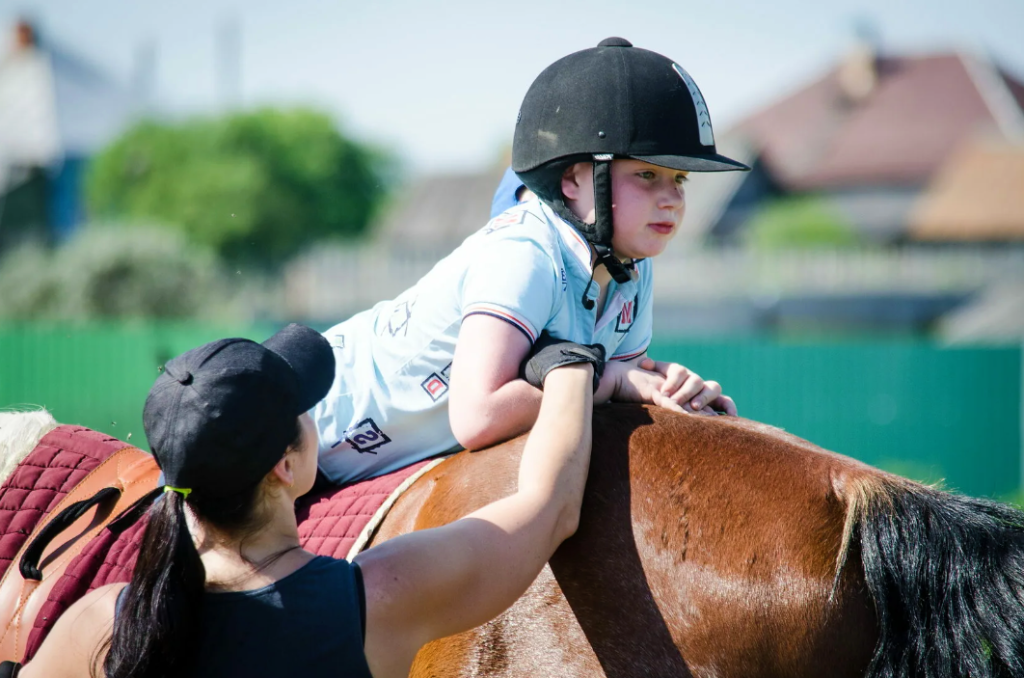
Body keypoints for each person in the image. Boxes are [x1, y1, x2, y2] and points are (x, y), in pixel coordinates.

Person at [20, 324, 600, 678]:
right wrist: (568, 366)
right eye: (306, 411)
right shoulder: (375, 600)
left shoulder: (101, 623)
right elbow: (550, 507)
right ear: (286, 465)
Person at [314, 37, 750, 486]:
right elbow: (479, 415)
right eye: (646, 174)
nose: (673, 199)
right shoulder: (524, 251)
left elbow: (613, 376)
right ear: (573, 179)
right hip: (304, 421)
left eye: (679, 178)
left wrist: (669, 386)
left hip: (363, 460)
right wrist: (616, 382)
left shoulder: (633, 266)